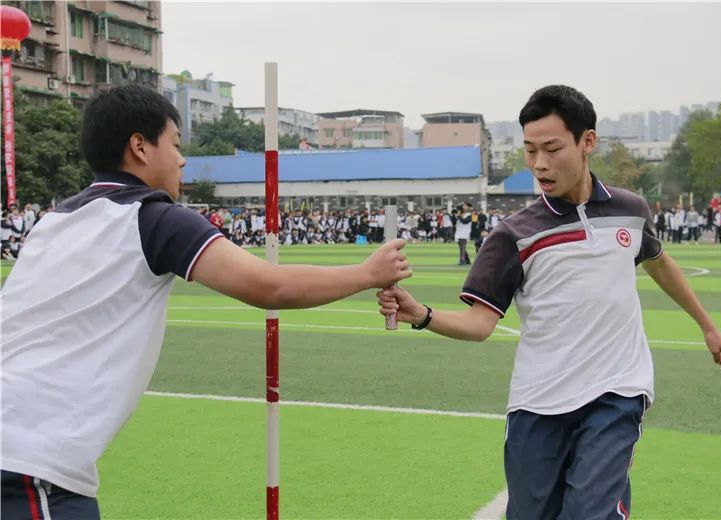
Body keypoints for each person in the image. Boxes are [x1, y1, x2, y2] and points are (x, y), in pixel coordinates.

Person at [0, 85, 412, 519]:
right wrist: (367, 274)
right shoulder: (152, 216)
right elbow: (268, 287)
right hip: (29, 457)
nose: (182, 159)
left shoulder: (56, 220)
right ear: (139, 146)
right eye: (175, 144)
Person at [377, 85, 721, 520]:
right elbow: (481, 323)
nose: (539, 164)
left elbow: (659, 262)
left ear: (588, 141)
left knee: (589, 514)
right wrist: (422, 314)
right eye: (530, 150)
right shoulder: (513, 234)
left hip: (617, 392)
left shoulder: (630, 209)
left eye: (552, 148)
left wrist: (707, 324)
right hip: (539, 402)